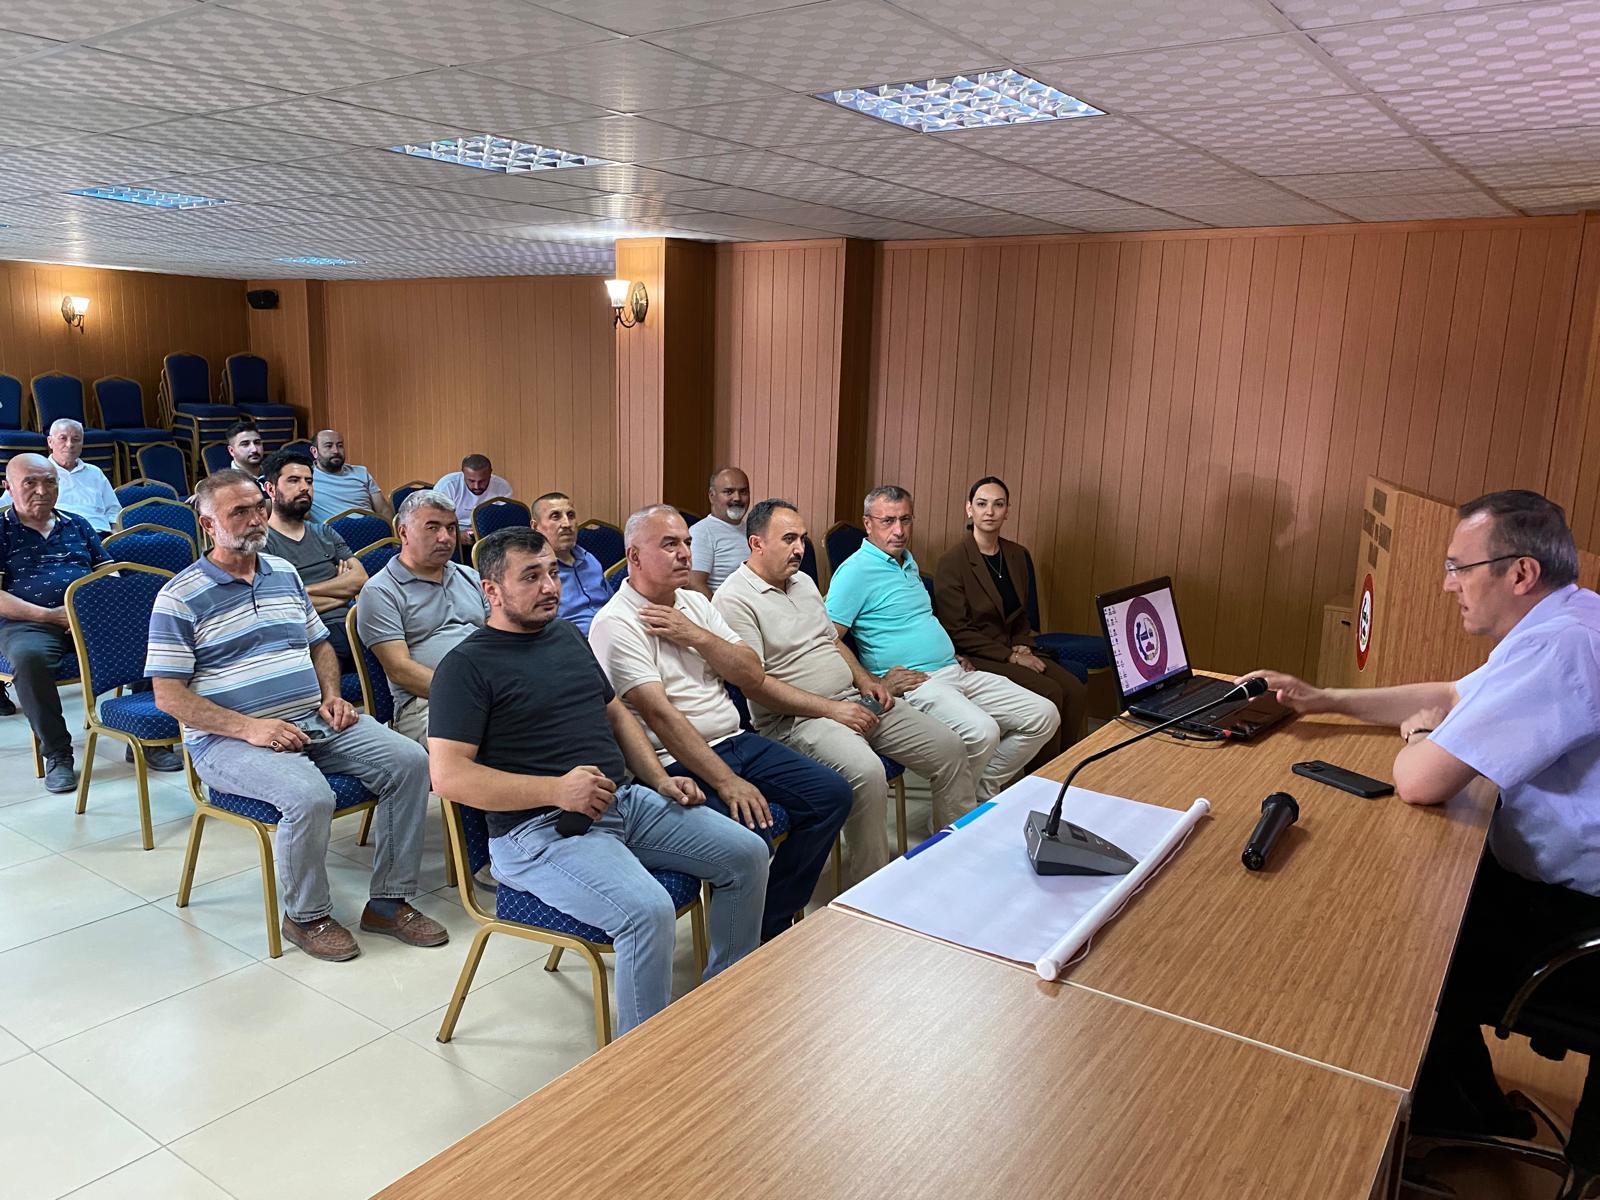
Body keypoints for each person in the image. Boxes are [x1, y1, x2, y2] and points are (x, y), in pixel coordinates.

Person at [1240, 489, 1600, 1140]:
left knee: (1386, 931)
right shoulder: (1571, 616)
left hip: (1576, 929)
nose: (1447, 584)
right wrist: (1324, 699)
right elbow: (1454, 695)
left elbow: (1419, 782)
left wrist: (1422, 738)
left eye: (1460, 567)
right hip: (1567, 900)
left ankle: (1431, 1116)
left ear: (1520, 573)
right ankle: (1466, 1105)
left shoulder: (1562, 649)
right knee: (1415, 898)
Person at [428, 527, 769, 1037]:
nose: (550, 587)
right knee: (647, 912)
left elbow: (615, 714)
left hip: (621, 801)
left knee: (747, 855)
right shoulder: (465, 667)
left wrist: (659, 779)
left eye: (552, 572)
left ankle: (727, 1002)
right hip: (538, 832)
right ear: (491, 591)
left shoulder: (567, 636)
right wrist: (555, 790)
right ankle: (639, 1064)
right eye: (530, 577)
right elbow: (448, 776)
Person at [148, 469, 446, 962]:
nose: (254, 519)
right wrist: (251, 728)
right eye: (238, 512)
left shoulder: (283, 573)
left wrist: (332, 695)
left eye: (258, 508)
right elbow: (168, 696)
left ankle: (389, 903)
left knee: (411, 762)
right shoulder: (179, 597)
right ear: (208, 524)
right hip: (227, 741)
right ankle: (306, 916)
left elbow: (320, 645)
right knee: (309, 796)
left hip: (312, 718)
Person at [589, 505, 852, 941]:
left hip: (735, 739)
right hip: (676, 762)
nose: (684, 554)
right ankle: (741, 945)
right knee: (750, 836)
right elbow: (660, 716)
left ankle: (768, 924)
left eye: (687, 543)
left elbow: (749, 672)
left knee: (831, 795)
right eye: (669, 544)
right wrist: (727, 782)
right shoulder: (615, 623)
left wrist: (693, 633)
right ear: (634, 556)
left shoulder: (694, 603)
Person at [714, 499, 977, 883]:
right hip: (797, 722)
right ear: (757, 543)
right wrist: (831, 710)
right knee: (868, 773)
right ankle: (872, 888)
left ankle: (957, 860)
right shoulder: (733, 598)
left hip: (852, 700)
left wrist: (867, 681)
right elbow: (756, 685)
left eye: (802, 539)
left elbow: (833, 641)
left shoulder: (803, 582)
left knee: (950, 748)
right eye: (788, 539)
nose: (800, 549)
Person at [826, 485, 1059, 809]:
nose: (899, 530)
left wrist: (949, 651)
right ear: (868, 524)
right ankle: (955, 820)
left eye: (906, 520)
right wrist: (872, 682)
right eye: (888, 521)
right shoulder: (855, 571)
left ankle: (979, 792)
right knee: (982, 732)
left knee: (1043, 715)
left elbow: (918, 622)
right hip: (917, 683)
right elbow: (828, 637)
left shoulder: (907, 562)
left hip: (954, 668)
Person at [0, 453, 179, 785]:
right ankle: (57, 753)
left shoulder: (77, 523)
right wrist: (51, 615)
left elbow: (107, 570)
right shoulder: (2, 529)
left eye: (49, 482)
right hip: (31, 621)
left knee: (151, 637)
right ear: (8, 487)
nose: (42, 490)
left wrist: (99, 606)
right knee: (29, 658)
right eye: (30, 482)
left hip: (88, 616)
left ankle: (146, 737)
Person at [934, 476, 1087, 769]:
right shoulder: (953, 561)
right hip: (979, 653)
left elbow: (1021, 613)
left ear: (1008, 511)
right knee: (1051, 691)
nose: (990, 512)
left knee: (1074, 689)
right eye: (982, 504)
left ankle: (1063, 768)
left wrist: (1022, 644)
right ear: (969, 509)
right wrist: (1010, 656)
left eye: (998, 504)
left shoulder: (1016, 555)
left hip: (1014, 647)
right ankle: (1041, 776)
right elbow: (957, 630)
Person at [356, 490, 488, 744]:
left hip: (488, 690)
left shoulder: (470, 576)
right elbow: (400, 670)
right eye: (432, 527)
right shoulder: (380, 591)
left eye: (451, 528)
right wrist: (471, 693)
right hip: (426, 704)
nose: (445, 537)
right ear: (403, 532)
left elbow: (499, 637)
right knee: (500, 740)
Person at [262, 450, 367, 672]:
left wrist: (303, 591)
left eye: (308, 481)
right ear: (270, 489)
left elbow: (360, 578)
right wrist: (343, 593)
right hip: (311, 632)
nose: (304, 487)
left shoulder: (325, 532)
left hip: (355, 623)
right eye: (293, 480)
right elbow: (282, 604)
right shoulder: (263, 544)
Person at [531, 491, 611, 635]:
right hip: (573, 641)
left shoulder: (589, 559)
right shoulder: (533, 572)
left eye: (571, 515)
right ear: (535, 527)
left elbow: (613, 603)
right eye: (555, 516)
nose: (567, 524)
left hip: (613, 632)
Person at [41, 419, 120, 534]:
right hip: (59, 535)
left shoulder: (95, 472)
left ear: (82, 443)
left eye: (76, 439)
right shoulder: (37, 472)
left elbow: (113, 510)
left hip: (99, 533)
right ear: (50, 442)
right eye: (63, 438)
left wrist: (116, 532)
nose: (69, 444)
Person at [688, 467, 751, 597]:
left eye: (743, 492)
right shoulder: (701, 532)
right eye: (728, 492)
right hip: (722, 607)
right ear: (712, 496)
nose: (737, 498)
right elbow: (694, 584)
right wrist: (718, 609)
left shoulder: (753, 530)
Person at [308, 429, 391, 522]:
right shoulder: (306, 478)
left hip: (370, 528)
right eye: (328, 446)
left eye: (340, 446)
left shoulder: (361, 472)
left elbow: (383, 510)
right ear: (314, 451)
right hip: (333, 530)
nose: (336, 451)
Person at [434, 454, 512, 542]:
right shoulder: (447, 485)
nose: (476, 486)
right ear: (463, 473)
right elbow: (435, 521)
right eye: (471, 481)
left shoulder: (502, 487)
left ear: (490, 473)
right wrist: (457, 535)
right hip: (453, 532)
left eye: (482, 481)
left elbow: (505, 521)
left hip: (489, 533)